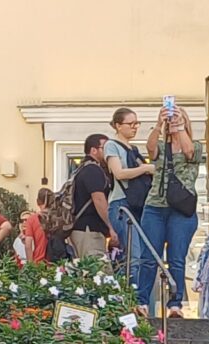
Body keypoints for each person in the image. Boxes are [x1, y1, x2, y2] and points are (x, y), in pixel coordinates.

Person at [141, 104, 203, 313]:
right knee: (150, 257)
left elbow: (189, 151)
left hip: (181, 209)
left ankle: (175, 304)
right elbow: (150, 150)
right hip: (155, 206)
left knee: (176, 258)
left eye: (180, 119)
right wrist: (159, 125)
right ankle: (142, 301)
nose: (175, 123)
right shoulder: (161, 145)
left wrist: (179, 128)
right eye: (173, 120)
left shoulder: (195, 145)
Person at [101, 105, 154, 278]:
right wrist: (145, 168)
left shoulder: (134, 149)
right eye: (130, 123)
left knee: (139, 256)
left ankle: (135, 295)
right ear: (118, 125)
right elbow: (119, 173)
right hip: (121, 205)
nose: (135, 127)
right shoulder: (111, 145)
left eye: (137, 123)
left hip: (136, 204)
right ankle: (128, 295)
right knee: (133, 256)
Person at [64, 133, 115, 261]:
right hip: (89, 231)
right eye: (105, 148)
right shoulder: (93, 170)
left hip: (81, 230)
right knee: (98, 272)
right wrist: (111, 226)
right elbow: (98, 199)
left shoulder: (81, 169)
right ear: (94, 150)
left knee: (87, 271)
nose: (109, 152)